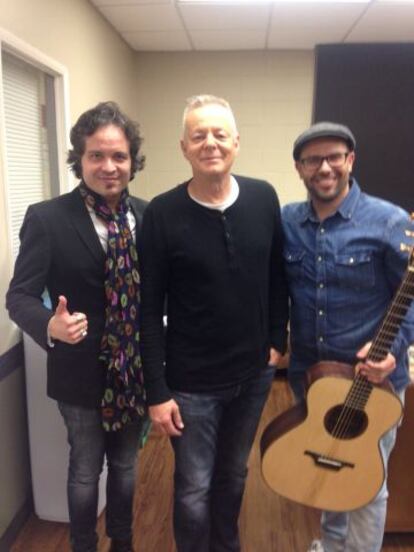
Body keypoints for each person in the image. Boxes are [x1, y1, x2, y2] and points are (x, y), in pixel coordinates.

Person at [139, 94, 288, 552]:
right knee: (194, 488)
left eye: (219, 134)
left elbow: (277, 275)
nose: (210, 143)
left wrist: (275, 341)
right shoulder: (161, 214)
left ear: (236, 142)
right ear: (184, 147)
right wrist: (157, 392)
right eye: (198, 135)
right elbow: (147, 308)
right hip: (191, 386)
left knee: (233, 475)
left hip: (253, 377)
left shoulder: (264, 197)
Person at [6, 101, 149, 552]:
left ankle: (122, 543)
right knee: (86, 469)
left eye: (119, 156)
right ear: (79, 159)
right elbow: (18, 296)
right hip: (79, 370)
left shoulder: (146, 216)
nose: (109, 167)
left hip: (135, 370)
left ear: (132, 161)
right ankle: (83, 545)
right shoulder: (47, 219)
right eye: (96, 156)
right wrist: (51, 325)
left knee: (125, 467)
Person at [282, 121, 414, 552]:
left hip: (372, 387)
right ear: (300, 168)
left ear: (350, 160)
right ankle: (332, 546)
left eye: (333, 156)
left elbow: (410, 298)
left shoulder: (390, 221)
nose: (324, 167)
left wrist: (392, 350)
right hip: (311, 381)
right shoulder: (287, 223)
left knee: (367, 486)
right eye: (313, 160)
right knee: (329, 469)